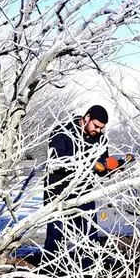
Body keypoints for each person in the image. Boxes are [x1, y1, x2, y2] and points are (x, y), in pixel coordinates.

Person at [43, 105, 110, 256]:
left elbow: (102, 167)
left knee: (88, 233)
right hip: (57, 190)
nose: (98, 130)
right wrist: (89, 164)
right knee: (55, 233)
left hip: (84, 191)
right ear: (87, 117)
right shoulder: (62, 132)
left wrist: (109, 169)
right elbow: (58, 161)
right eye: (96, 126)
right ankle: (50, 267)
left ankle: (89, 267)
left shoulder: (101, 140)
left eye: (101, 128)